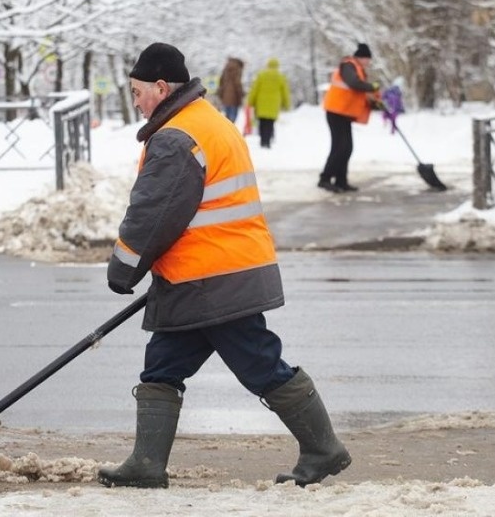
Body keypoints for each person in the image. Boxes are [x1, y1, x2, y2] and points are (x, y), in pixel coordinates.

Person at [99, 42, 351, 490]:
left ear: (160, 87)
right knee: (162, 365)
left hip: (213, 279)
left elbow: (153, 213)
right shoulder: (206, 120)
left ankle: (323, 449)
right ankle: (146, 463)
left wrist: (124, 267)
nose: (135, 101)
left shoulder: (177, 137)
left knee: (261, 364)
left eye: (137, 91)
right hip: (210, 272)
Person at [318, 43, 379, 193]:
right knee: (339, 147)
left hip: (344, 113)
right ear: (362, 57)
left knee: (346, 148)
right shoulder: (348, 66)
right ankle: (324, 179)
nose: (369, 63)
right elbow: (353, 84)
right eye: (368, 59)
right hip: (335, 112)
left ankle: (341, 181)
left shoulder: (357, 69)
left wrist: (374, 103)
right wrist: (372, 86)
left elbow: (358, 93)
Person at [246, 57, 291, 149]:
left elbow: (255, 89)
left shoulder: (261, 75)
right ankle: (268, 140)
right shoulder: (280, 77)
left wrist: (250, 101)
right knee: (270, 123)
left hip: (261, 103)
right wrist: (286, 104)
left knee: (262, 122)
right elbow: (285, 92)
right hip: (274, 104)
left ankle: (263, 140)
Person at [215, 56, 245, 123]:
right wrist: (241, 94)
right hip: (234, 98)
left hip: (225, 97)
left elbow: (221, 81)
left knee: (227, 117)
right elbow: (237, 83)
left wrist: (221, 93)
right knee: (233, 118)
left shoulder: (226, 68)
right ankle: (230, 132)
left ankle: (225, 131)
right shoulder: (238, 68)